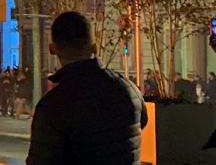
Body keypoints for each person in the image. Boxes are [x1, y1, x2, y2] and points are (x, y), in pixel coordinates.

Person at [27, 11, 147, 165]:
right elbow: (141, 123)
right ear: (94, 48)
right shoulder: (129, 89)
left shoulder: (52, 107)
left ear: (52, 49)